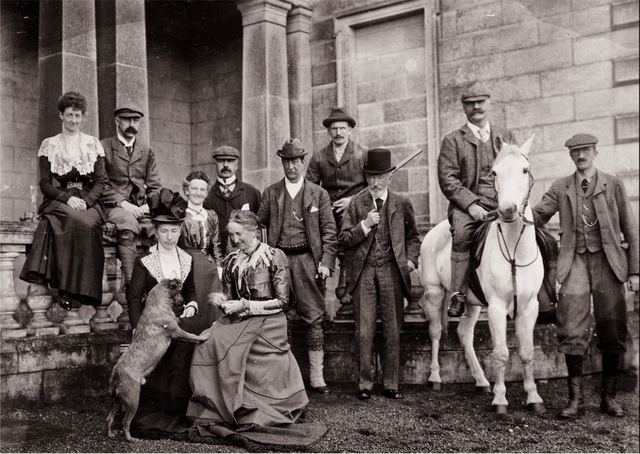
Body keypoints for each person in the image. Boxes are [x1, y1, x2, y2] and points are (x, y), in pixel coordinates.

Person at [532, 133, 639, 419]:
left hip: (609, 262)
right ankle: (575, 400)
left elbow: (631, 229)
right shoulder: (561, 187)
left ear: (595, 152)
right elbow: (538, 214)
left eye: (586, 150)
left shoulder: (614, 184)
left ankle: (609, 398)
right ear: (570, 156)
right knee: (571, 325)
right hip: (574, 261)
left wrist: (635, 271)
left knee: (613, 326)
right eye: (576, 151)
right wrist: (514, 210)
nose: (581, 155)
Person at [187, 210, 308, 427]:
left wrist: (245, 305)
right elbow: (232, 298)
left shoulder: (273, 256)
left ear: (254, 231)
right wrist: (222, 299)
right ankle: (218, 407)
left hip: (269, 320)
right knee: (207, 340)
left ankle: (250, 407)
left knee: (229, 346)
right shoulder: (232, 260)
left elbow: (283, 301)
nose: (234, 240)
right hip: (241, 319)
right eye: (231, 235)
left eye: (239, 234)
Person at [257, 138, 338, 394]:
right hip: (279, 261)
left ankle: (316, 377)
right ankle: (286, 376)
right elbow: (260, 225)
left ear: (303, 162)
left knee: (314, 317)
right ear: (282, 162)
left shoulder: (319, 193)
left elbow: (329, 232)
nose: (291, 166)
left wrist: (326, 263)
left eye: (295, 161)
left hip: (307, 261)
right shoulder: (271, 193)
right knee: (283, 317)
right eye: (286, 161)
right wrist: (264, 258)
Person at [339, 148, 421, 400]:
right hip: (363, 272)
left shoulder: (401, 203)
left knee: (392, 328)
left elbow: (413, 237)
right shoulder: (356, 204)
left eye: (380, 177)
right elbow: (343, 239)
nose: (375, 183)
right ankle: (365, 383)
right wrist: (364, 225)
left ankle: (391, 383)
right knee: (364, 330)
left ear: (390, 177)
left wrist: (410, 259)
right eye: (371, 177)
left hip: (391, 271)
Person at [127, 188, 215, 413]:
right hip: (155, 321)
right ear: (155, 232)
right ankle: (162, 400)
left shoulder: (186, 259)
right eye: (164, 231)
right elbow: (134, 297)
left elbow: (192, 291)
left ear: (180, 231)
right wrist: (137, 327)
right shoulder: (145, 261)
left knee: (193, 328)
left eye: (174, 231)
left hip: (180, 317)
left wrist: (192, 305)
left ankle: (182, 399)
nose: (169, 237)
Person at [20, 91, 107, 310]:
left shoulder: (92, 144)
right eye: (69, 115)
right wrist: (67, 199)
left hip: (88, 198)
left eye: (78, 116)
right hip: (60, 198)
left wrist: (87, 202)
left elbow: (100, 181)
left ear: (83, 117)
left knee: (88, 223)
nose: (74, 120)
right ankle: (66, 289)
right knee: (67, 219)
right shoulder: (50, 145)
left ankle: (81, 290)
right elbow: (45, 184)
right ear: (61, 115)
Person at [438, 83, 518, 317]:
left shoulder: (506, 136)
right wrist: (470, 205)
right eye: (470, 103)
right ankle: (458, 294)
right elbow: (447, 178)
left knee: (534, 234)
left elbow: (516, 169)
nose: (476, 107)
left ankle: (538, 293)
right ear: (464, 108)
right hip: (467, 206)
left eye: (481, 101)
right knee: (462, 235)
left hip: (502, 202)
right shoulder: (453, 140)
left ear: (489, 104)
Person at [306, 107, 368, 309]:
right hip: (330, 216)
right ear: (328, 132)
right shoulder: (318, 157)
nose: (338, 133)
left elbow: (373, 188)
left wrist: (352, 201)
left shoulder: (362, 154)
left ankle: (352, 294)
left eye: (342, 128)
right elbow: (310, 189)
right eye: (334, 129)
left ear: (350, 130)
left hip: (357, 216)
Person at [100, 106, 162, 291]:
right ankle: (131, 287)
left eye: (135, 121)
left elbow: (155, 185)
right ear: (117, 121)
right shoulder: (103, 147)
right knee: (127, 224)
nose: (131, 124)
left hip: (140, 207)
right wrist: (124, 204)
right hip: (113, 206)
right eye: (127, 120)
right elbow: (101, 184)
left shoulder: (146, 150)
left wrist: (150, 206)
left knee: (162, 227)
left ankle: (158, 285)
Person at [179, 171, 224, 320]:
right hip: (189, 265)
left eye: (202, 189)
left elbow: (216, 245)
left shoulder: (211, 215)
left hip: (210, 268)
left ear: (206, 193)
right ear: (186, 191)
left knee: (212, 310)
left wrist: (219, 268)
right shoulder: (180, 215)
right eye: (194, 189)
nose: (198, 193)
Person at [203, 145, 261, 256]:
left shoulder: (251, 192)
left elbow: (260, 226)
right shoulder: (207, 196)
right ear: (214, 163)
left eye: (230, 161)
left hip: (247, 255)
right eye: (221, 161)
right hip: (217, 257)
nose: (225, 165)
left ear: (237, 165)